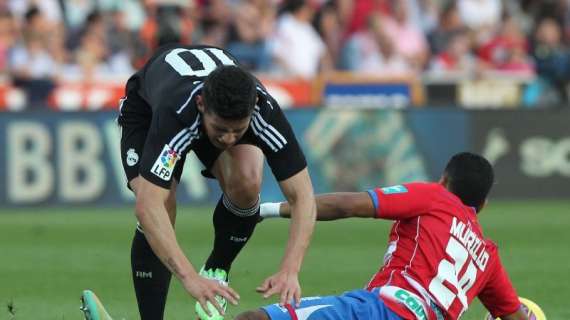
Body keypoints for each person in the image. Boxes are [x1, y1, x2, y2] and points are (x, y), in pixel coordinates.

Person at [83, 44, 317, 320]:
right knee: (162, 207)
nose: (229, 139)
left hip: (205, 109)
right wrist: (189, 277)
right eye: (221, 130)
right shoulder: (177, 113)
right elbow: (148, 207)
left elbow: (303, 197)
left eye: (237, 131)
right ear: (201, 105)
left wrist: (291, 269)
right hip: (147, 111)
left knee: (248, 183)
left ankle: (218, 269)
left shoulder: (263, 111)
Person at [236, 152, 528, 320]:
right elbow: (515, 314)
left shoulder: (435, 196)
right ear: (483, 206)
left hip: (387, 309)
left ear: (443, 180)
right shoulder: (487, 256)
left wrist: (265, 210)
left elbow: (346, 205)